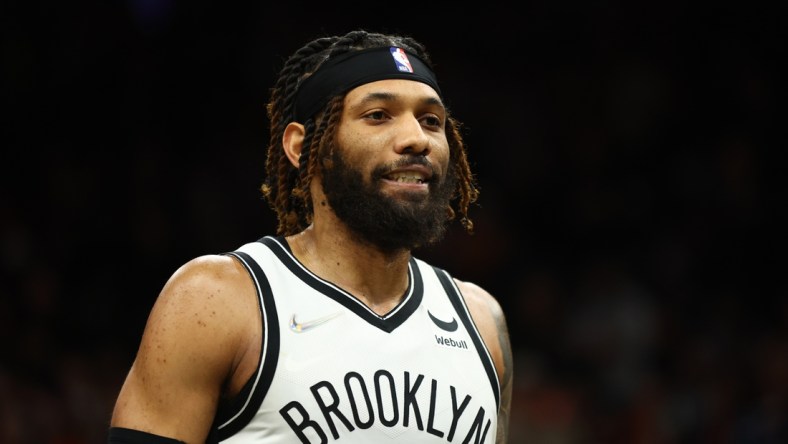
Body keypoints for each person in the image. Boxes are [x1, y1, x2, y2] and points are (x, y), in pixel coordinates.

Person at [108, 29, 513, 444]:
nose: (416, 138)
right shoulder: (217, 300)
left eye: (431, 121)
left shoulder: (481, 321)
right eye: (377, 115)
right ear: (302, 147)